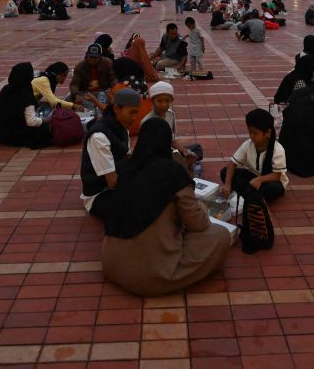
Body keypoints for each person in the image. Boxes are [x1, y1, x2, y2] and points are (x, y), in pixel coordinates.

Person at [102, 119, 231, 297]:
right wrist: (199, 204)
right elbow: (198, 224)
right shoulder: (172, 173)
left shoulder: (126, 168)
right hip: (151, 276)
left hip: (112, 264)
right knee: (221, 235)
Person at [80, 89, 141, 219]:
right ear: (117, 109)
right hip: (100, 193)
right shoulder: (99, 136)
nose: (135, 117)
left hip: (119, 183)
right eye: (131, 112)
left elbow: (127, 158)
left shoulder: (122, 127)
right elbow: (112, 181)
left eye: (136, 112)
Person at [221, 108, 287, 202]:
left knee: (273, 189)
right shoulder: (248, 144)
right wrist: (227, 185)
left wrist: (260, 180)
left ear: (267, 132)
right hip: (252, 177)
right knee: (224, 172)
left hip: (270, 180)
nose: (251, 136)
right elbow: (232, 164)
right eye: (250, 132)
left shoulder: (278, 150)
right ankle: (251, 195)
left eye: (255, 133)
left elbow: (277, 175)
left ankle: (245, 194)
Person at [0, 62, 51, 148]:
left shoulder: (6, 89)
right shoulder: (25, 94)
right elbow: (31, 122)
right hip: (14, 137)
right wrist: (47, 121)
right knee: (45, 129)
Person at [71, 43, 116, 111]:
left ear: (100, 56)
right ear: (87, 56)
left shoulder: (107, 63)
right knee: (68, 99)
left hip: (103, 91)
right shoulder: (80, 66)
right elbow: (74, 84)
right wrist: (76, 95)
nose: (93, 59)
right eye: (91, 57)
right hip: (86, 93)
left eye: (95, 57)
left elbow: (113, 78)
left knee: (105, 98)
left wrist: (114, 89)